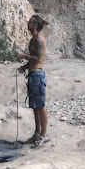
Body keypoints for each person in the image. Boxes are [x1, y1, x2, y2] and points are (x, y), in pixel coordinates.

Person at [16, 14, 49, 147]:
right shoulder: (34, 39)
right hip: (33, 74)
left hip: (37, 76)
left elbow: (38, 59)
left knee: (40, 106)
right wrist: (25, 67)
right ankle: (37, 133)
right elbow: (34, 59)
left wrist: (23, 56)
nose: (27, 23)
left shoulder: (39, 40)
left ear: (35, 25)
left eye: (30, 22)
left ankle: (44, 135)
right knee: (35, 106)